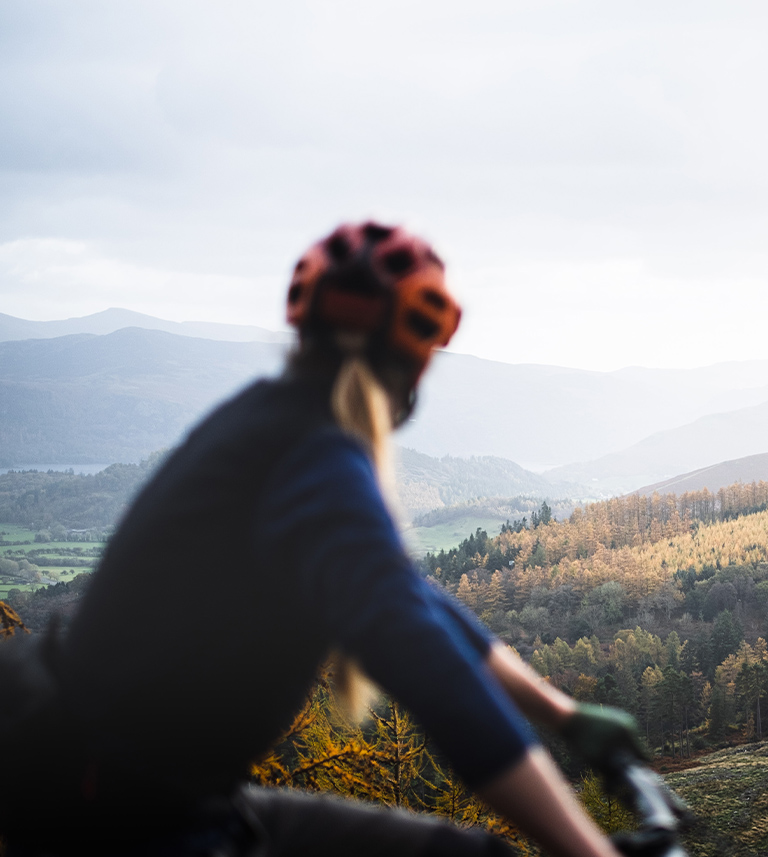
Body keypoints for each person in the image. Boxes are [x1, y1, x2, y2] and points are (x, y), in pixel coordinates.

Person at [0, 222, 644, 857]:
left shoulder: (272, 418)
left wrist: (562, 714)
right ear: (412, 358)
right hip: (129, 822)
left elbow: (412, 599)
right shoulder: (313, 458)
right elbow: (434, 672)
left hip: (148, 794)